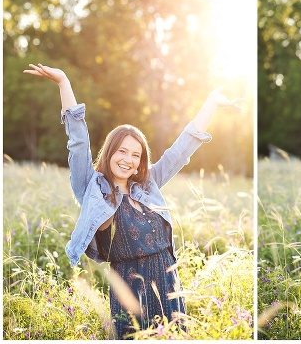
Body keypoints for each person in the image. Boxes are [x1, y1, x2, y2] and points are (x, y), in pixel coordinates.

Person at [24, 63, 242, 339]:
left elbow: (182, 149)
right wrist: (64, 82)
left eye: (135, 155)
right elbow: (77, 140)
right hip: (127, 285)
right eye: (122, 151)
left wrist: (211, 102)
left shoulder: (147, 184)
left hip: (166, 277)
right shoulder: (91, 188)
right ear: (110, 152)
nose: (128, 160)